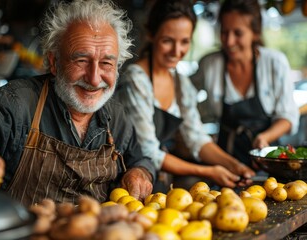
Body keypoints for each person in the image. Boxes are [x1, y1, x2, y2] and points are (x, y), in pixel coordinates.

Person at [0, 0, 155, 206]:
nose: (94, 78)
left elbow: (139, 159)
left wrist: (140, 173)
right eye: (81, 60)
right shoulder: (19, 101)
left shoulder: (116, 117)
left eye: (106, 63)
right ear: (54, 62)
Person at [115, 0, 255, 192]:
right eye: (167, 41)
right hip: (129, 179)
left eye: (184, 42)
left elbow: (196, 137)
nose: (176, 51)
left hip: (158, 179)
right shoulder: (136, 80)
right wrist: (209, 171)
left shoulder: (181, 83)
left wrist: (233, 164)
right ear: (151, 35)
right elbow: (148, 151)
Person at [190, 0, 300, 167]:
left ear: (255, 33)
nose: (229, 41)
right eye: (224, 32)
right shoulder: (210, 64)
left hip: (268, 157)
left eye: (238, 33)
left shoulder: (274, 62)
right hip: (225, 161)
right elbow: (182, 95)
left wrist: (264, 137)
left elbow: (288, 117)